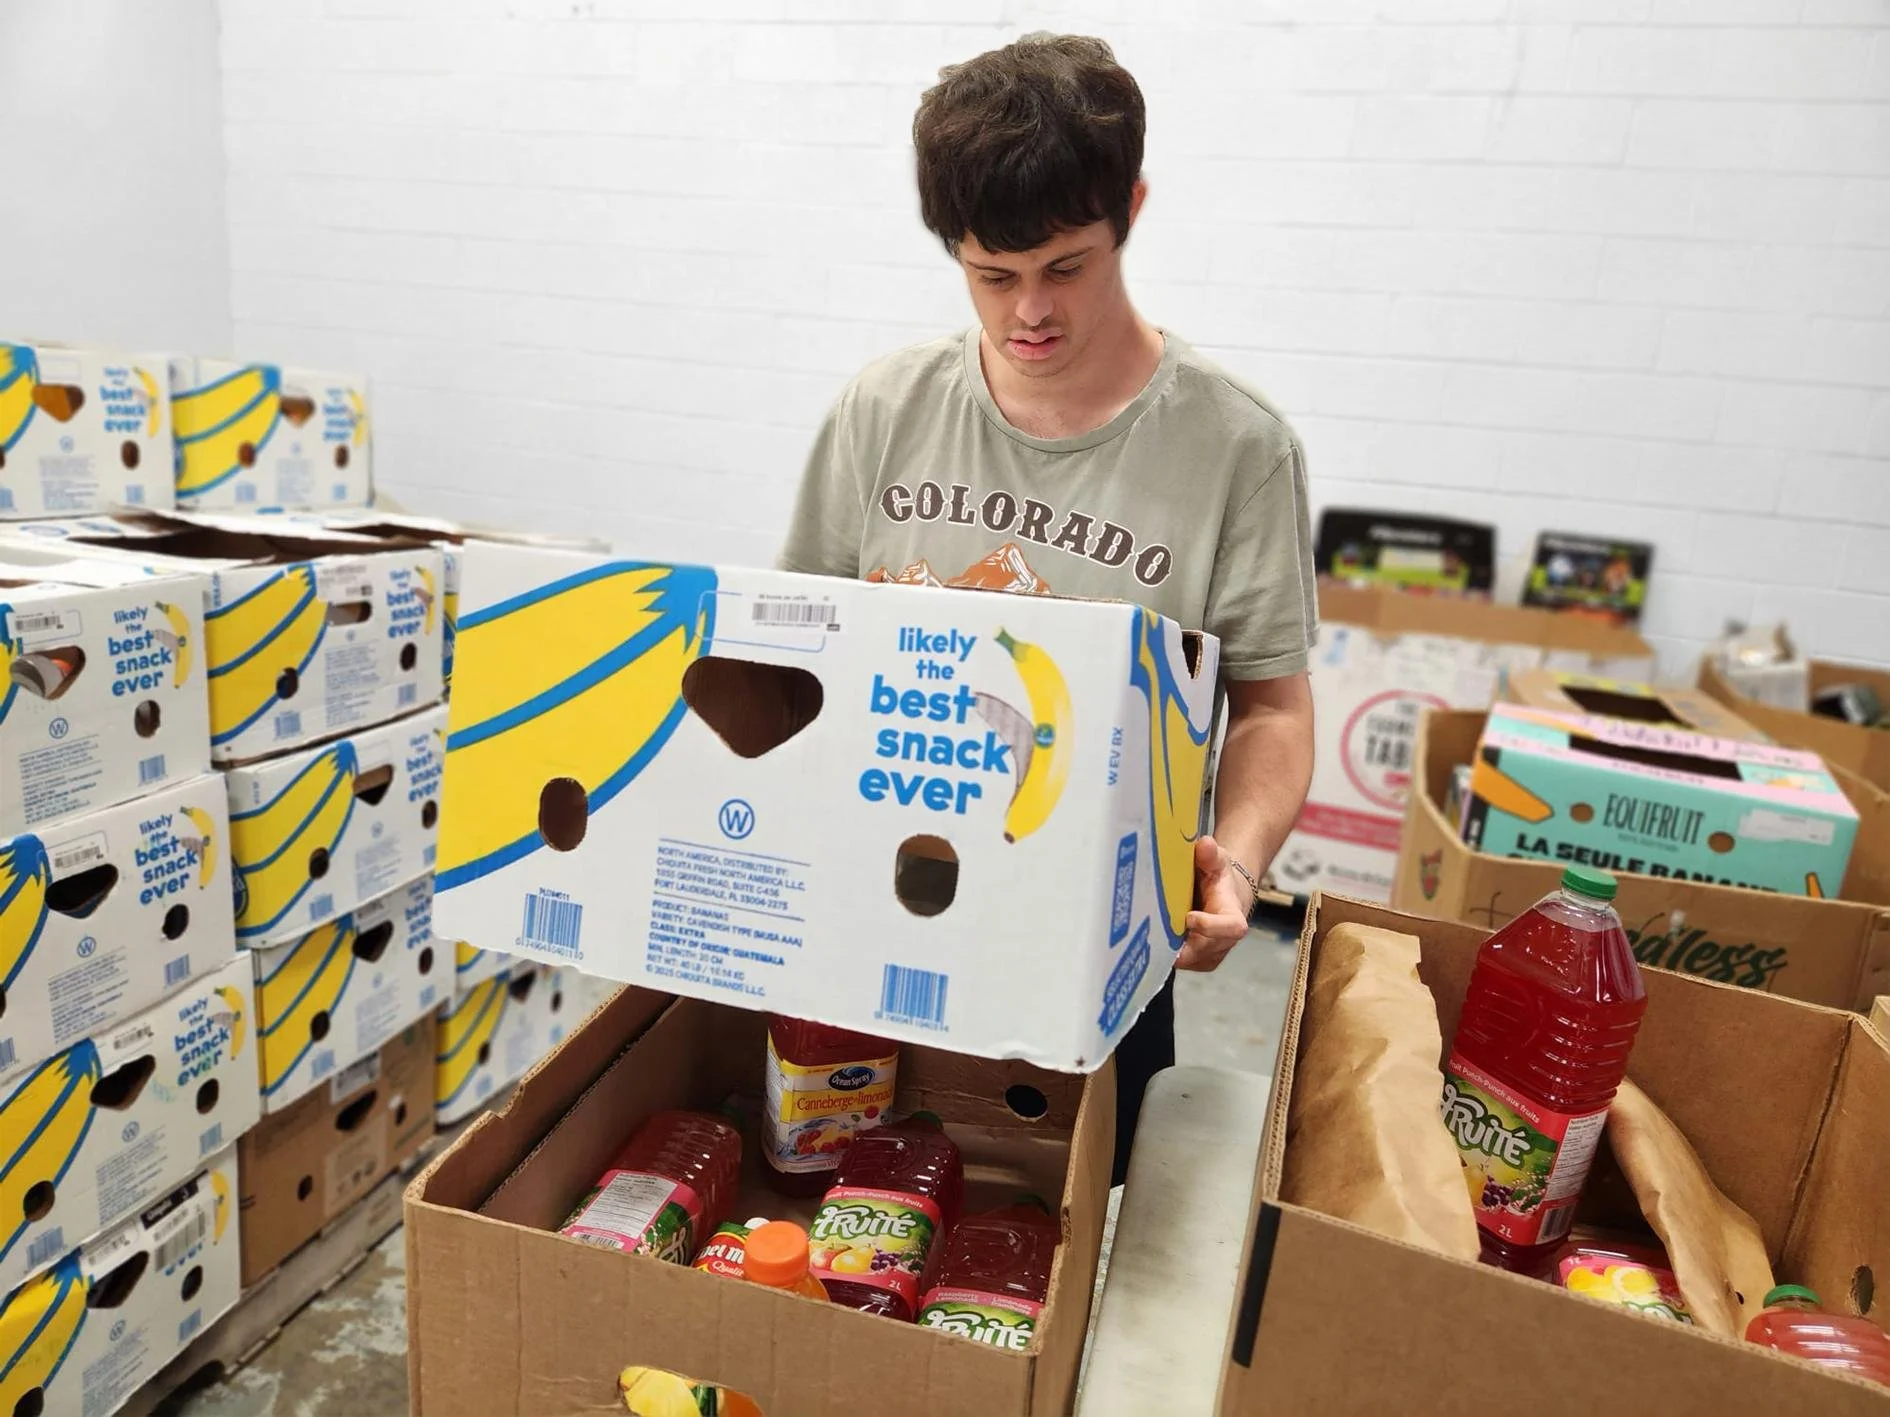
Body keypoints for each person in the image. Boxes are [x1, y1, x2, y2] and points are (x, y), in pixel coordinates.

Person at [781, 33, 1317, 1184]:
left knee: (1049, 1263)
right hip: (882, 924)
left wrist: (1243, 863)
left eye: (1065, 267)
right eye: (992, 274)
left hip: (1100, 952)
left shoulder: (1235, 446)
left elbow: (1271, 704)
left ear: (1131, 207)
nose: (1028, 311)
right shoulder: (882, 410)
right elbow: (794, 662)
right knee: (859, 1227)